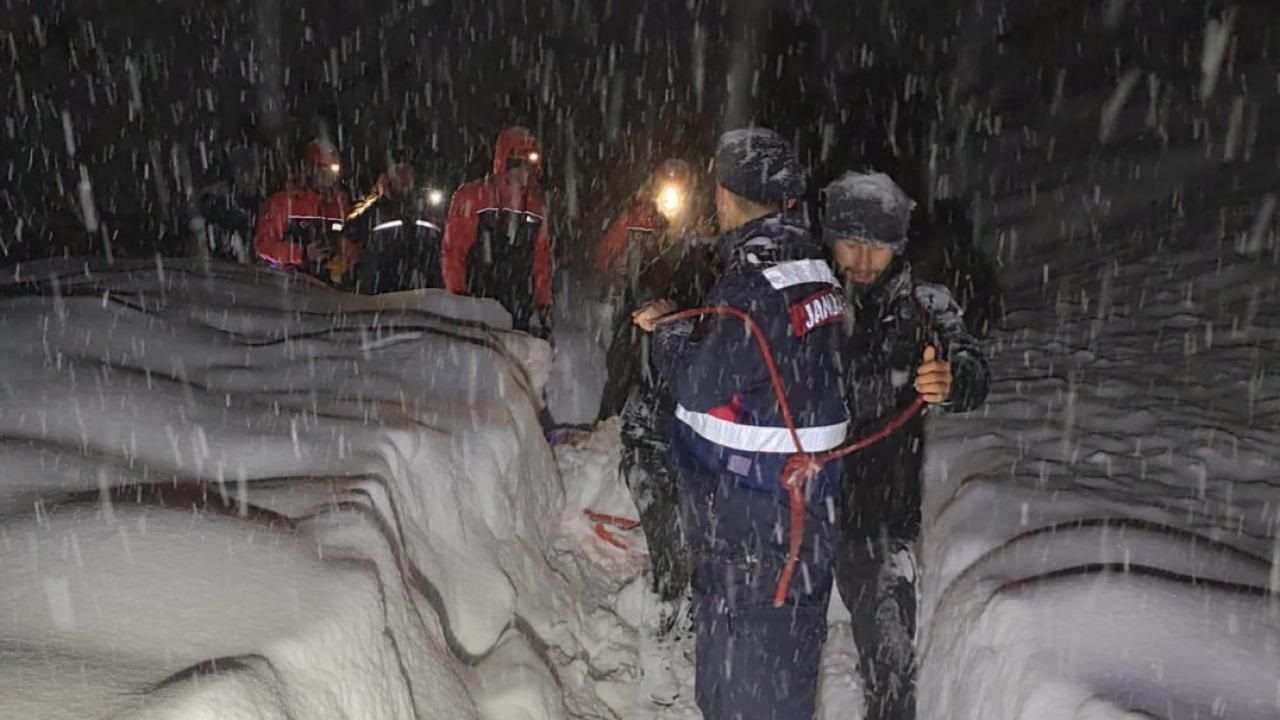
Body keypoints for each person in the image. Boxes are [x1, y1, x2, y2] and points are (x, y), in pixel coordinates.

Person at [634, 128, 849, 720]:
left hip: (752, 528)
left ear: (726, 196)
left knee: (747, 691)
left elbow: (697, 385)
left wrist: (669, 330)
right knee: (774, 677)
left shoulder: (753, 281)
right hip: (797, 519)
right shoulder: (813, 268)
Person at [821, 171, 991, 720]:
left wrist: (952, 380)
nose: (862, 259)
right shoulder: (809, 295)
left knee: (891, 663)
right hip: (801, 508)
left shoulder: (923, 304)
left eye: (877, 244)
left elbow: (971, 365)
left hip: (882, 516)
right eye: (850, 242)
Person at [593, 159, 716, 604]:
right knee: (625, 382)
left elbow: (710, 283)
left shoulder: (703, 233)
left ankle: (682, 556)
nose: (672, 197)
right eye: (667, 186)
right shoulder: (639, 218)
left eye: (680, 187)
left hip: (683, 338)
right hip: (638, 325)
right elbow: (605, 257)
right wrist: (630, 239)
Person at [442, 126, 552, 335]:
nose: (523, 173)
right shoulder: (473, 196)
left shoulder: (536, 206)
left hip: (519, 303)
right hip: (478, 301)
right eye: (518, 164)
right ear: (504, 163)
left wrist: (543, 302)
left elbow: (541, 258)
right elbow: (454, 250)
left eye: (529, 166)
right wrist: (458, 296)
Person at [253, 139, 359, 287]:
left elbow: (348, 242)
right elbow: (264, 245)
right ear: (310, 170)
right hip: (287, 285)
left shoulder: (339, 205)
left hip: (329, 288)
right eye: (323, 170)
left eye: (333, 171)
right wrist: (302, 254)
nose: (329, 177)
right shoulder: (284, 202)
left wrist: (346, 259)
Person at [348, 159, 449, 294]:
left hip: (419, 286)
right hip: (383, 287)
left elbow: (439, 243)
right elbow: (352, 238)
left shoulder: (424, 211)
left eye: (408, 174)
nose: (405, 179)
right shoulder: (375, 211)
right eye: (400, 174)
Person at [193, 147, 261, 264]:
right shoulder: (215, 200)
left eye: (251, 173)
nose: (247, 179)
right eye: (241, 173)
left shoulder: (261, 202)